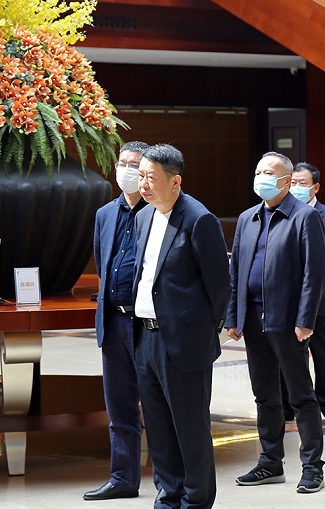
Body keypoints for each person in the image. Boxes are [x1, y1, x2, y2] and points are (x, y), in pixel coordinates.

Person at [132, 144, 231, 509]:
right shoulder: (144, 216)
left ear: (175, 181)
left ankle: (197, 500)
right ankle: (169, 495)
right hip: (145, 336)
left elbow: (219, 286)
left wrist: (203, 331)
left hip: (184, 342)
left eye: (151, 178)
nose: (143, 185)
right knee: (157, 426)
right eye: (141, 176)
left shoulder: (199, 219)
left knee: (190, 427)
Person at [227, 152, 325, 493]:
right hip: (253, 321)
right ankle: (270, 462)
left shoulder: (304, 217)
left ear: (286, 181)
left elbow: (314, 273)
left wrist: (305, 319)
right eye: (258, 172)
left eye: (268, 173)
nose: (261, 179)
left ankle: (312, 467)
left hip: (287, 322)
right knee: (264, 395)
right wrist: (234, 316)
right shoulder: (248, 218)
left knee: (300, 396)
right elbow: (236, 271)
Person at [85, 141, 149, 501]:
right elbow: (102, 263)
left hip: (148, 324)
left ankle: (170, 481)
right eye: (122, 163)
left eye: (134, 164)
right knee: (120, 408)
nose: (126, 169)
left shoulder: (159, 211)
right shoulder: (105, 214)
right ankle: (123, 478)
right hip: (113, 322)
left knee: (157, 405)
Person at [286, 161, 325, 426]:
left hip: (320, 299)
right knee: (289, 354)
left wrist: (319, 288)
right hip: (287, 299)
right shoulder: (282, 213)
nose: (296, 187)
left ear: (316, 187)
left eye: (302, 183)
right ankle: (292, 404)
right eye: (293, 183)